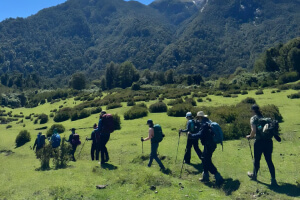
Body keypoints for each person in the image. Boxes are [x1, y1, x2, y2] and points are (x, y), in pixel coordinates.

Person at [188, 111, 224, 185]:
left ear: (200, 117)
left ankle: (218, 176)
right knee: (204, 158)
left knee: (207, 160)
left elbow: (200, 134)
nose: (197, 119)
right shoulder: (208, 122)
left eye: (198, 118)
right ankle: (205, 176)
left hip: (209, 145)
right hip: (211, 144)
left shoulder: (204, 125)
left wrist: (191, 135)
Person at [246, 104, 278, 186]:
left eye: (251, 111)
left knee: (257, 160)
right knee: (269, 160)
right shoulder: (265, 118)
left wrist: (250, 136)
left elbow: (253, 130)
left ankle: (254, 175)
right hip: (268, 142)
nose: (250, 113)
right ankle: (273, 180)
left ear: (253, 111)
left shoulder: (254, 118)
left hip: (259, 142)